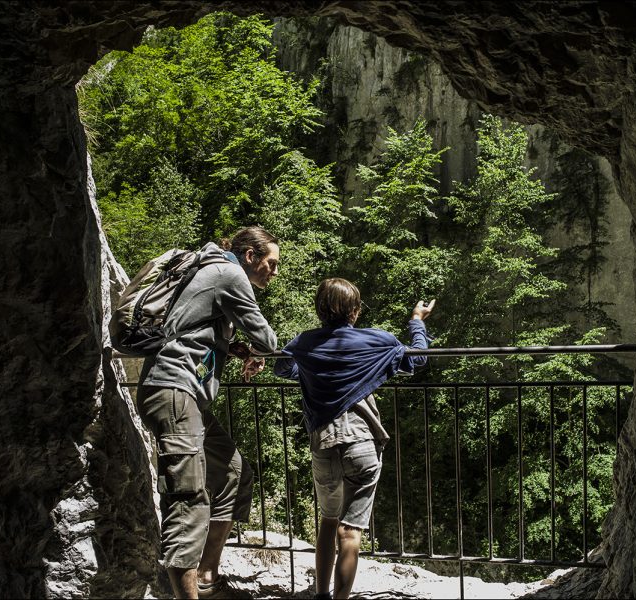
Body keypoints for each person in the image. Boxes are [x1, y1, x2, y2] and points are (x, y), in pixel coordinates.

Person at [136, 226, 280, 599]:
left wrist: (232, 348)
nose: (275, 272)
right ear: (250, 256)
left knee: (234, 472)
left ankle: (206, 577)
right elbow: (267, 339)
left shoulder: (212, 270)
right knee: (188, 497)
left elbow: (191, 329)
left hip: (183, 395)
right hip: (174, 390)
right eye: (271, 263)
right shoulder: (229, 274)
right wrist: (259, 348)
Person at [274, 278, 435, 600]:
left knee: (328, 521)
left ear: (319, 310)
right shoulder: (376, 341)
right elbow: (417, 359)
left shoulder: (305, 343)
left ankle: (321, 595)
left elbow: (282, 368)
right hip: (361, 444)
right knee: (350, 532)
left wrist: (309, 373)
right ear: (356, 311)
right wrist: (417, 321)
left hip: (324, 444)